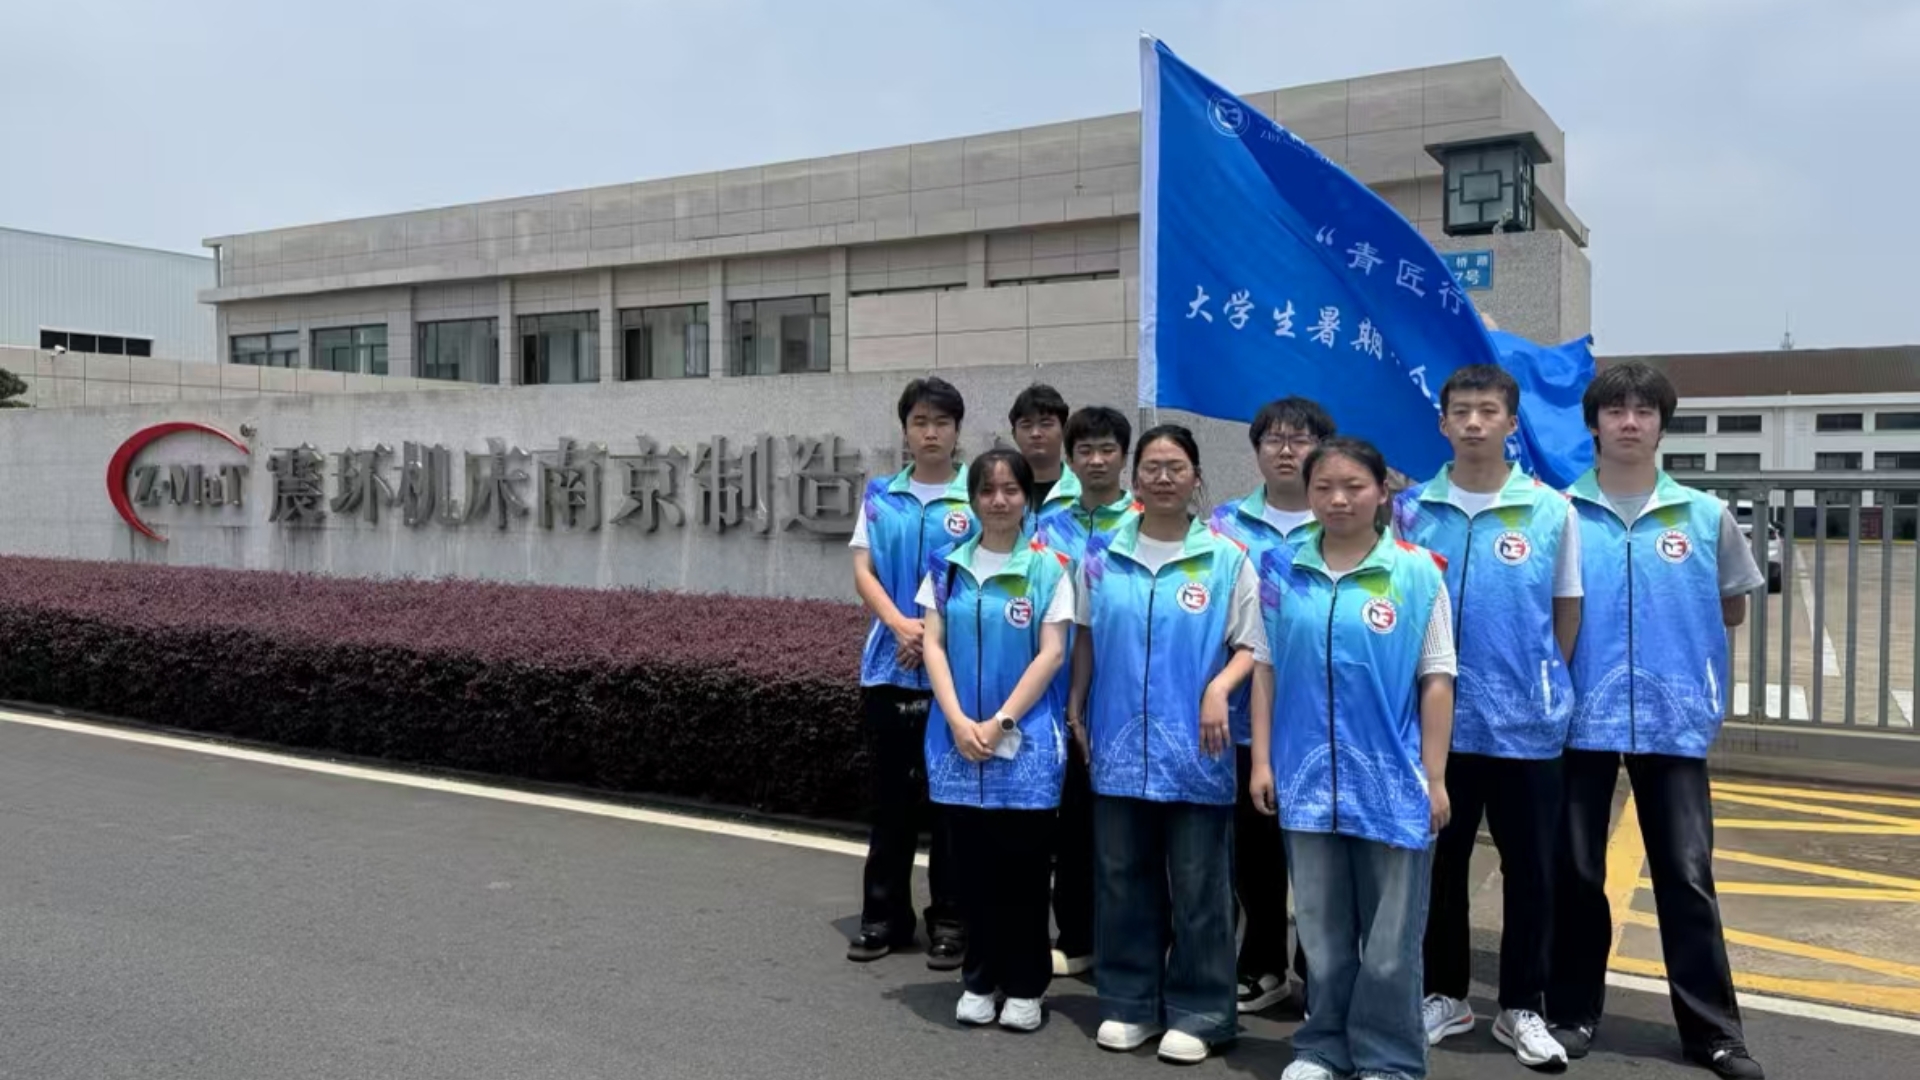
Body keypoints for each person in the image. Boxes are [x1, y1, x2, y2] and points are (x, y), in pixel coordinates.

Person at [1546, 362, 1766, 1080]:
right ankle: (1571, 1011)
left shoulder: (1703, 515)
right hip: (1579, 715)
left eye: (1644, 411)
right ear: (1594, 424)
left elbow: (1731, 606)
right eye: (1616, 411)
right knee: (1577, 871)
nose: (1630, 423)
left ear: (1662, 425)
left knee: (1686, 873)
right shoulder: (1559, 513)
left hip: (1673, 720)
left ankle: (1713, 1033)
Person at [1249, 437, 1456, 1080]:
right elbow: (1264, 668)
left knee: (1391, 939)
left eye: (1354, 486)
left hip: (1393, 781)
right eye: (1324, 488)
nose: (1338, 499)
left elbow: (1437, 678)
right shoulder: (1280, 569)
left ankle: (1389, 1057)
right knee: (1320, 932)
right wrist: (1262, 762)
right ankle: (1322, 1047)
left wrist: (1435, 777)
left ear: (1381, 492)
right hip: (1306, 779)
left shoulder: (1418, 572)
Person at [1393, 365, 1579, 1070]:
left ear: (1511, 423)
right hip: (1438, 725)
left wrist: (1539, 678)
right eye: (1462, 411)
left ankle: (1522, 1005)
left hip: (1527, 727)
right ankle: (1445, 993)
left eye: (1488, 411)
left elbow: (1565, 609)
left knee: (1532, 870)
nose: (1474, 422)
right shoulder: (1411, 510)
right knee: (1439, 865)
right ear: (1442, 423)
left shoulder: (1550, 509)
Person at [1069, 424, 1263, 1065]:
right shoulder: (1102, 556)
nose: (1162, 477)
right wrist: (1076, 702)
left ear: (1196, 477)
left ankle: (1202, 1011)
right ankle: (1130, 1003)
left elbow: (1251, 645)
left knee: (1201, 885)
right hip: (1119, 740)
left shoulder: (1226, 558)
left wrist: (1220, 688)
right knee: (1121, 878)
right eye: (1151, 466)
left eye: (1175, 467)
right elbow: (1086, 636)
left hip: (1196, 748)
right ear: (1135, 478)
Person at [920, 448, 1075, 1032]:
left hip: (1025, 744)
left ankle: (1026, 985)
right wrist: (958, 720)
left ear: (1027, 498)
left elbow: (1052, 653)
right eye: (987, 490)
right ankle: (979, 978)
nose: (1000, 500)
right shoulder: (946, 568)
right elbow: (933, 645)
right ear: (972, 499)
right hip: (957, 741)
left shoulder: (1048, 569)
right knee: (972, 871)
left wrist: (1001, 722)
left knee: (1025, 874)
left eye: (1011, 490)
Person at [846, 376, 978, 968]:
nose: (931, 433)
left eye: (942, 423)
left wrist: (928, 634)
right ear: (905, 429)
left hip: (953, 673)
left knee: (951, 804)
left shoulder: (976, 496)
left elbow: (980, 574)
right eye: (921, 422)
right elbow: (863, 571)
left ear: (957, 430)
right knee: (891, 802)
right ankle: (883, 918)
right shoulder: (881, 496)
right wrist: (901, 625)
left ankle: (951, 920)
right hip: (888, 667)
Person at [1208, 396, 1333, 1016]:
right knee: (1254, 853)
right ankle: (1262, 964)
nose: (1287, 450)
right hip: (1242, 720)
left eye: (1300, 439)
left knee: (1319, 853)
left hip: (1320, 719)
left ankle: (1320, 970)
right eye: (1274, 440)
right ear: (1256, 450)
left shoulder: (1342, 518)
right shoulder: (1224, 525)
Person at [1032, 405, 1140, 979]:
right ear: (1070, 461)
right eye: (1085, 451)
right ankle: (1075, 937)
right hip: (1058, 694)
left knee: (1127, 830)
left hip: (1127, 693)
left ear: (1124, 456)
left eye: (1107, 450)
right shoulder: (1048, 526)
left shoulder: (1145, 521)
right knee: (1072, 822)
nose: (1096, 461)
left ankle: (1133, 942)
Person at [1010, 383, 1071, 514]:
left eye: (1046, 424)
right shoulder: (998, 494)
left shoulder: (1085, 492)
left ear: (1065, 431)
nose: (1035, 433)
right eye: (1026, 425)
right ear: (1014, 434)